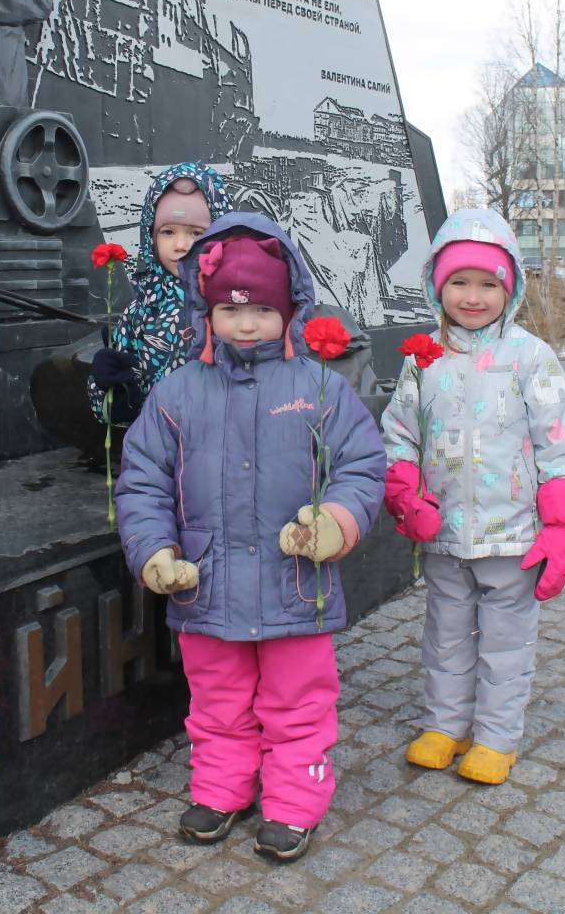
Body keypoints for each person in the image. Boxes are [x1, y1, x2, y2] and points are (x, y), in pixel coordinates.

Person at [115, 212, 385, 861]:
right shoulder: (177, 393)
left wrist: (337, 521)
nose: (244, 323)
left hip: (294, 588)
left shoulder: (319, 386)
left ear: (288, 308)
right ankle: (222, 786)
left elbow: (362, 464)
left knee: (297, 704)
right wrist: (154, 551)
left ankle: (294, 801)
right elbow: (143, 480)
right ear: (205, 311)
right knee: (217, 702)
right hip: (207, 591)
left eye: (261, 309)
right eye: (230, 309)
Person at [381, 208, 565, 785]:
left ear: (510, 287)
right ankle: (445, 724)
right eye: (459, 283)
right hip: (445, 533)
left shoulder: (530, 357)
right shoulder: (423, 358)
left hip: (512, 534)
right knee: (445, 633)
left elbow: (557, 444)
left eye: (488, 284)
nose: (473, 297)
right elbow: (399, 432)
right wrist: (405, 491)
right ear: (437, 285)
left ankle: (496, 736)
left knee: (504, 641)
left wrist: (561, 526)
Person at [88, 161, 232, 425]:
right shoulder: (140, 311)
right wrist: (112, 392)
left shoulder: (232, 306)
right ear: (151, 237)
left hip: (221, 451)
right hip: (153, 453)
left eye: (196, 233)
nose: (180, 245)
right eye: (167, 232)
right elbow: (105, 414)